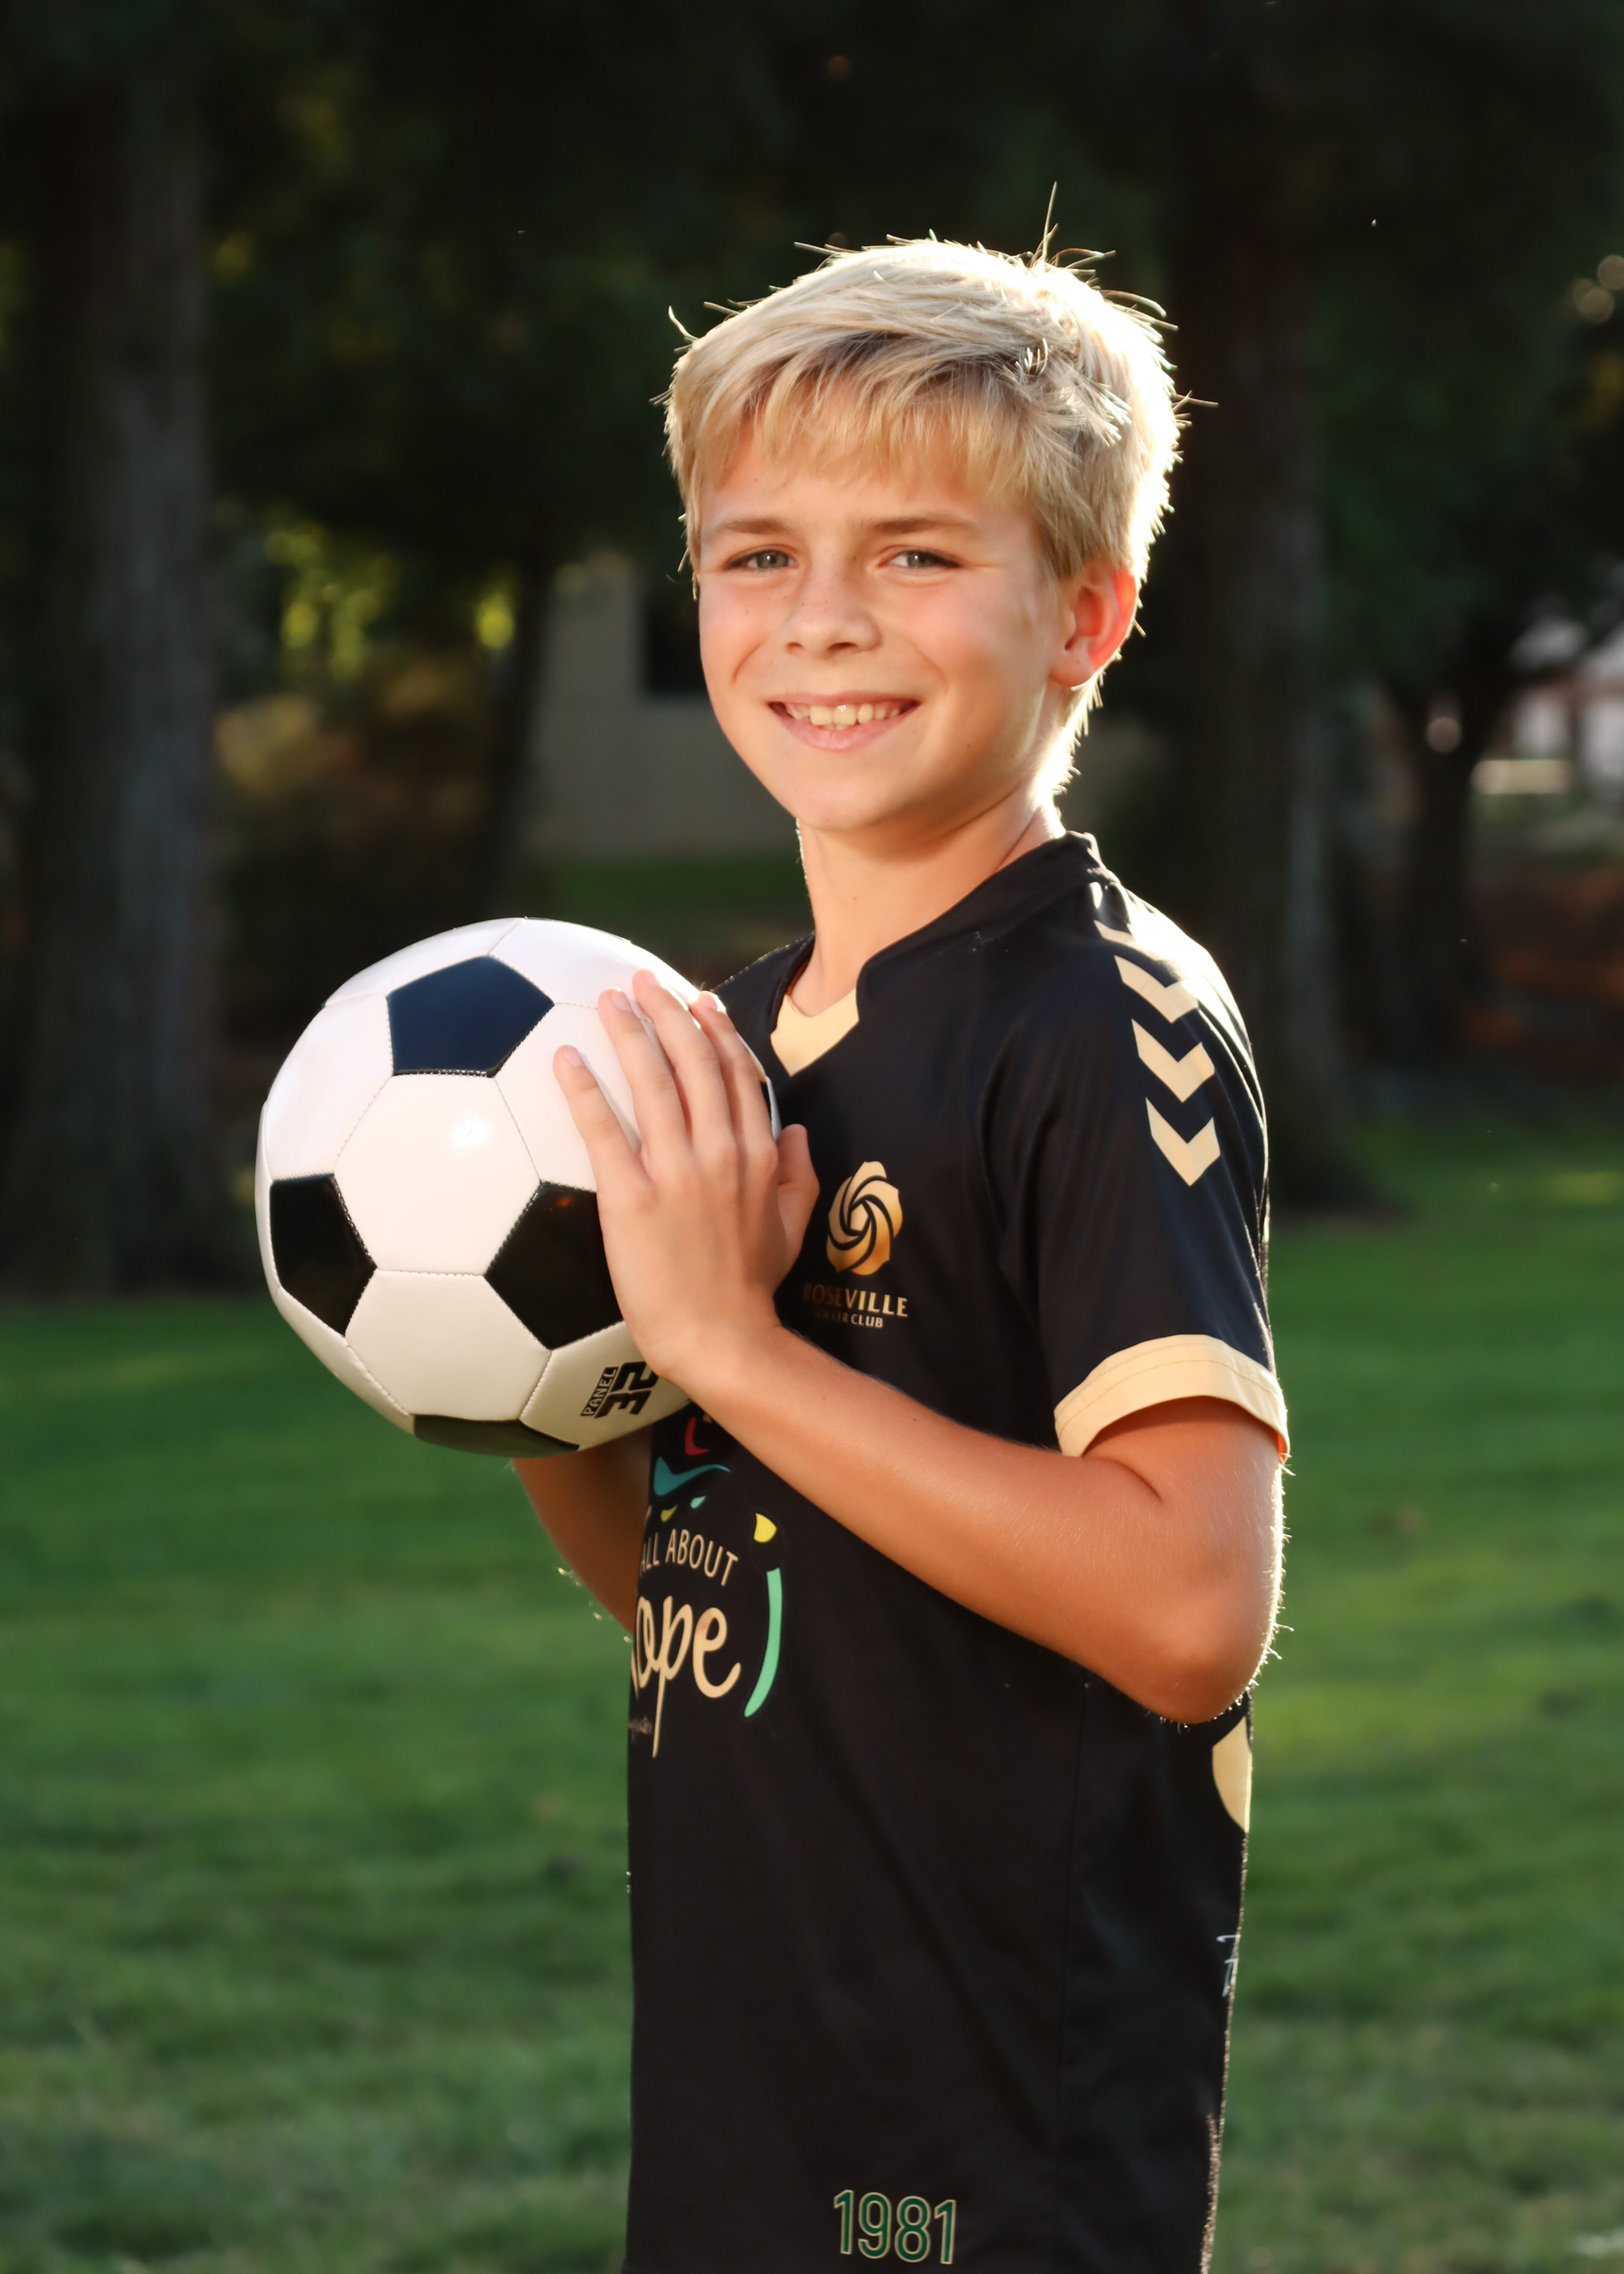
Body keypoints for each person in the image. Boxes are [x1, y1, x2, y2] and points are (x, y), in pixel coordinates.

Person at [516, 237, 1287, 2274]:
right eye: (757, 554)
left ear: (1085, 612)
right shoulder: (729, 1044)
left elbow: (1190, 1608)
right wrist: (538, 1382)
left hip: (996, 2130)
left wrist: (735, 1347)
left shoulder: (1103, 1020)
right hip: (748, 2080)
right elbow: (716, 1590)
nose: (824, 618)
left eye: (917, 555)